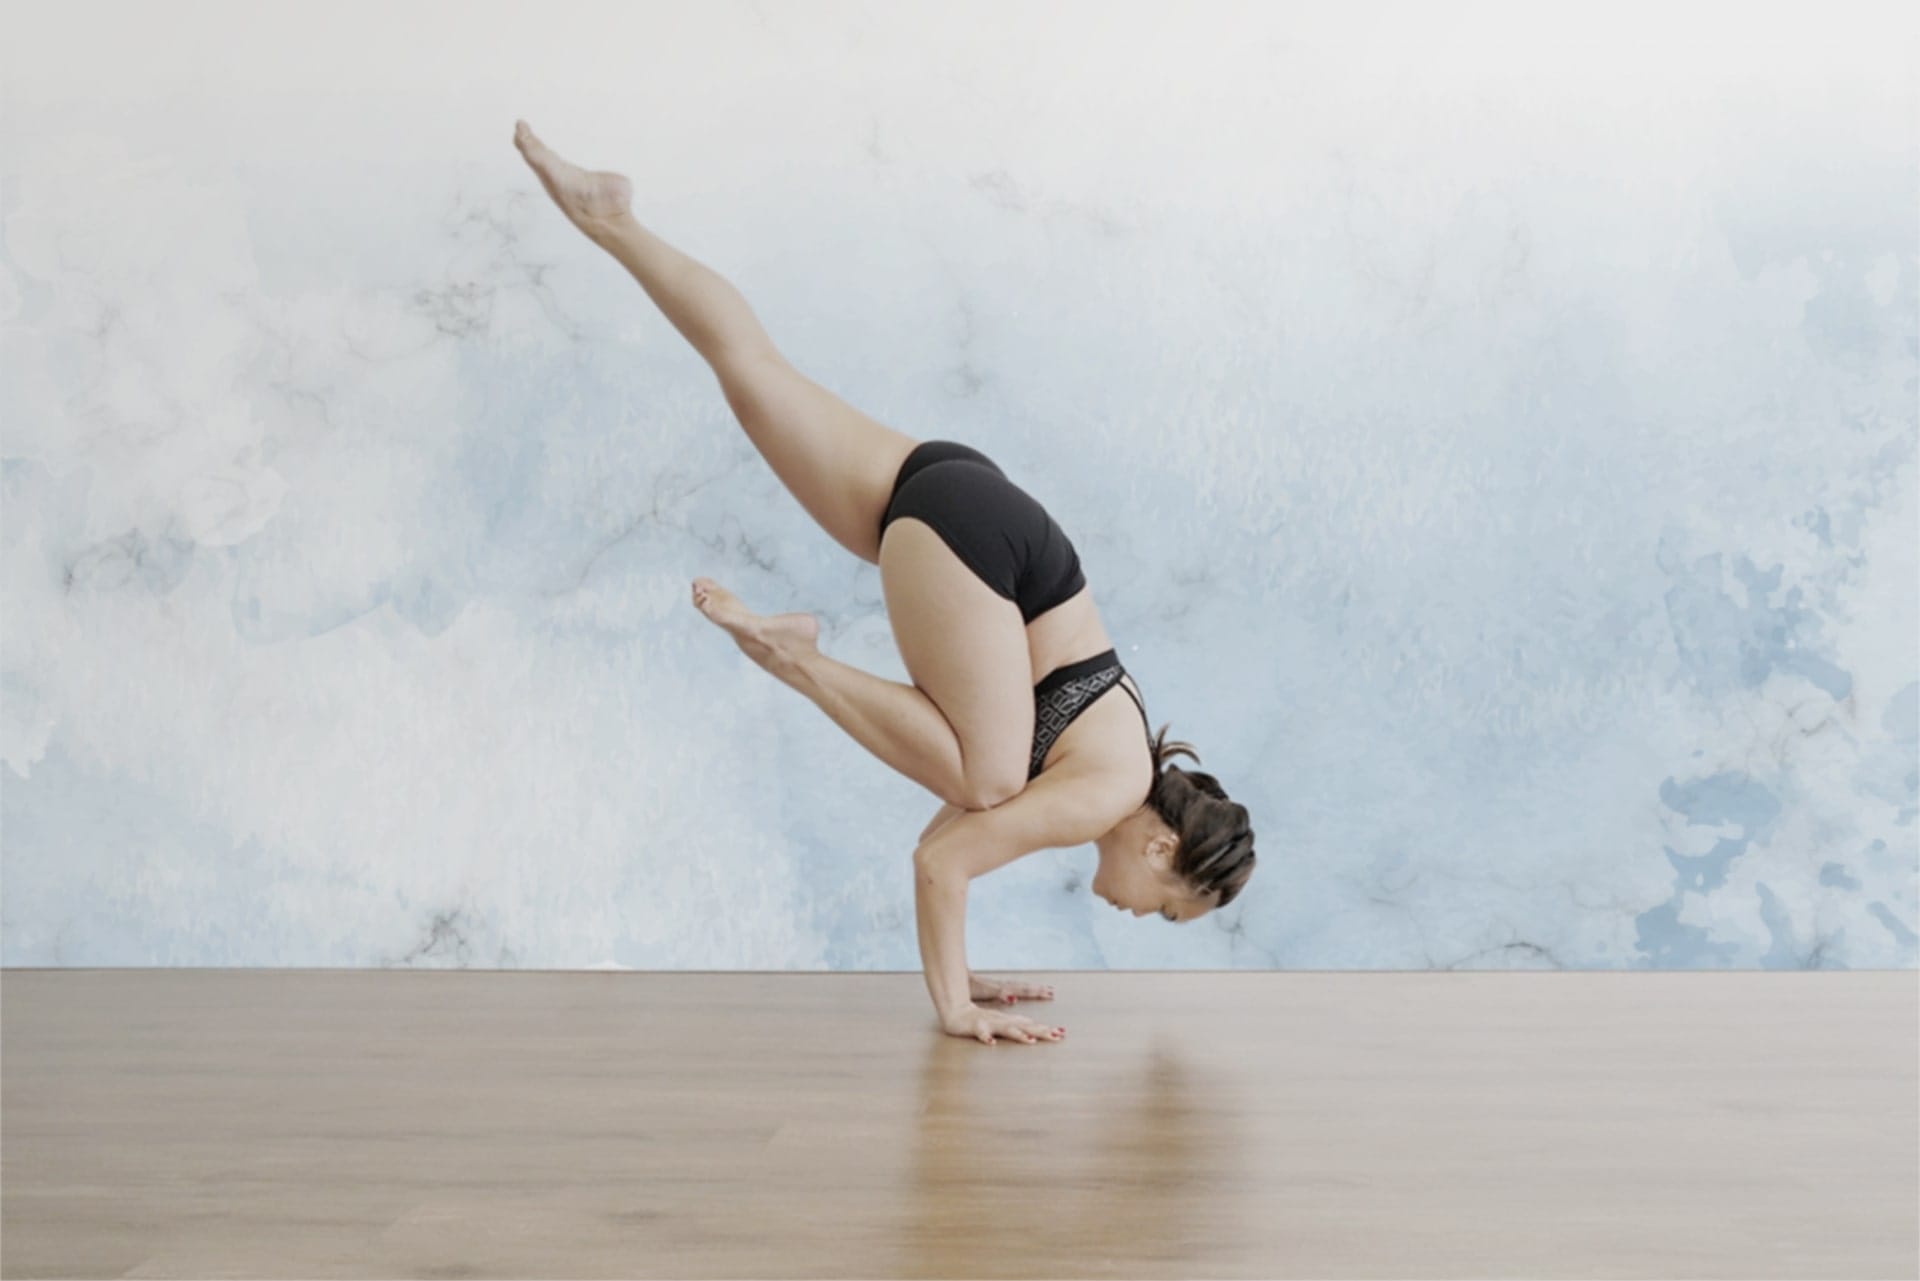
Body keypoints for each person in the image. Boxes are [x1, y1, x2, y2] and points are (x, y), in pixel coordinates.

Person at [513, 121, 1254, 1045]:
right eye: (1167, 909)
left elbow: (936, 853)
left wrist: (964, 972)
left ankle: (612, 219)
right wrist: (956, 1008)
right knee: (985, 776)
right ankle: (794, 657)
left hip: (963, 500)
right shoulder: (1105, 793)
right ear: (1161, 846)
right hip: (976, 547)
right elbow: (948, 866)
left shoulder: (1109, 765)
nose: (1145, 919)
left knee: (753, 370)